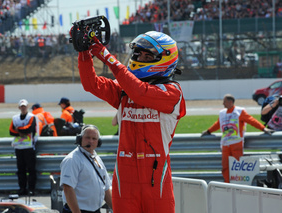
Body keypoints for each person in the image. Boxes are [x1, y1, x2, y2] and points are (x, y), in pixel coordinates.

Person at [77, 31, 186, 212]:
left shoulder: (172, 92)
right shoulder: (124, 89)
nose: (140, 58)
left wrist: (106, 56)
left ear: (165, 59)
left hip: (156, 177)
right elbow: (91, 84)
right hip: (124, 179)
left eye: (148, 55)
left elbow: (139, 92)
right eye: (138, 54)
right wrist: (84, 53)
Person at [201, 94, 273, 182]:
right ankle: (227, 184)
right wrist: (208, 131)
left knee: (237, 166)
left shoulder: (239, 111)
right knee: (225, 166)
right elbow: (218, 124)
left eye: (225, 102)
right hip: (225, 144)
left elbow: (251, 120)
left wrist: (263, 128)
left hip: (236, 143)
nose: (223, 104)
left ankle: (237, 184)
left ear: (230, 102)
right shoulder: (222, 113)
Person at [60, 125, 112, 213]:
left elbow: (106, 188)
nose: (90, 141)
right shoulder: (72, 159)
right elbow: (68, 188)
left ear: (98, 142)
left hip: (95, 210)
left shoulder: (97, 159)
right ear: (80, 139)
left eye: (94, 139)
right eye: (87, 137)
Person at [9, 99, 39, 196]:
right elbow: (11, 131)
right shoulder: (15, 118)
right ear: (19, 107)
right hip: (19, 147)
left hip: (29, 147)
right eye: (21, 106)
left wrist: (19, 130)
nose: (23, 108)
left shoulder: (31, 117)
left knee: (31, 169)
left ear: (27, 107)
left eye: (24, 106)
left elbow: (30, 129)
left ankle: (31, 189)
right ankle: (22, 188)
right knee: (20, 169)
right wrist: (21, 131)